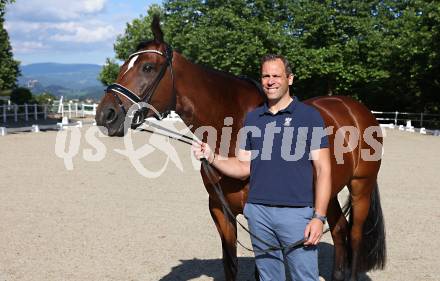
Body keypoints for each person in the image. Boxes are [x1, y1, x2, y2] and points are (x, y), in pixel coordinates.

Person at [192, 54, 331, 281]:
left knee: (304, 277)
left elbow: (324, 170)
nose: (270, 81)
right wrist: (212, 156)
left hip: (297, 214)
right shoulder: (253, 119)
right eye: (266, 76)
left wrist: (319, 217)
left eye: (277, 75)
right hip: (258, 214)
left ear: (290, 79)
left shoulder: (309, 117)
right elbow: (243, 165)